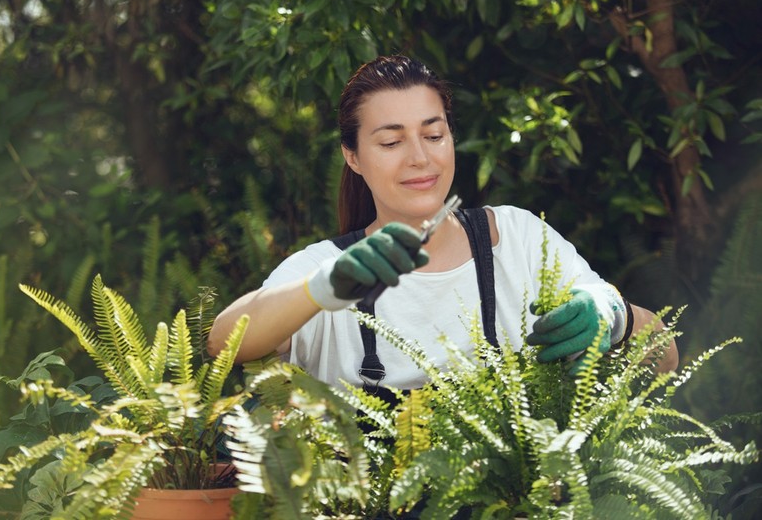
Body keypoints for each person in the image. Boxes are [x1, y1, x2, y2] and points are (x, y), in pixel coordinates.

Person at [207, 55, 678, 391]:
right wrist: (322, 289)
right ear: (352, 157)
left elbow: (668, 357)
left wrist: (617, 317)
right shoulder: (326, 267)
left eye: (433, 134)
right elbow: (223, 342)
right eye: (391, 142)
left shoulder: (517, 240)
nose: (419, 157)